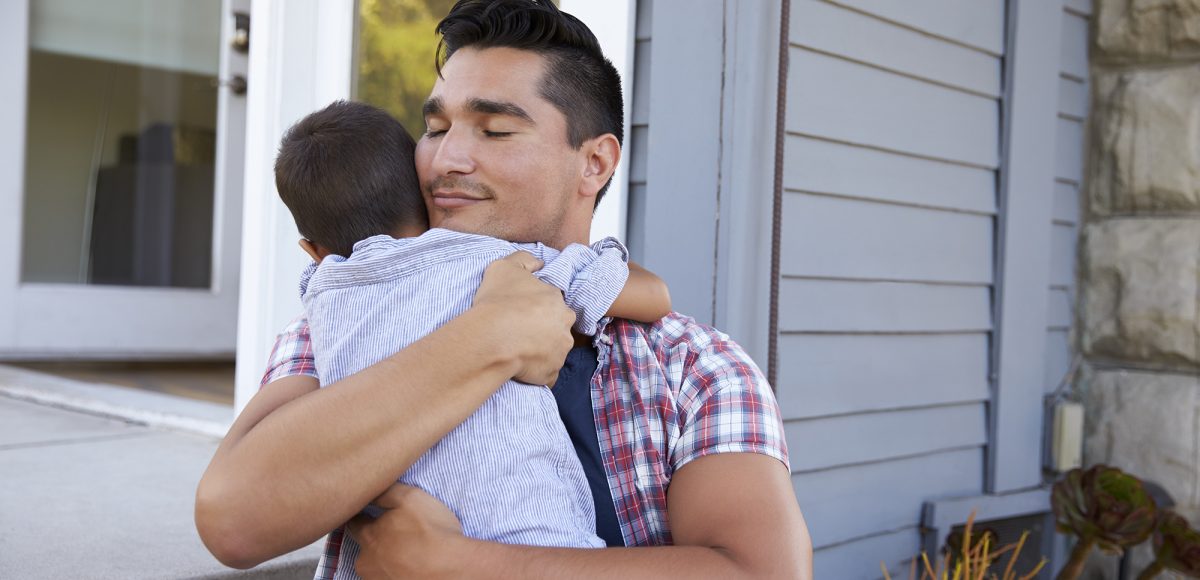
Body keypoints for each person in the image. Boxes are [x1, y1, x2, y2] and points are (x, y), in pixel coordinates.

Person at [195, 1, 813, 578]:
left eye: (494, 131)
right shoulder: (344, 319)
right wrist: (487, 337)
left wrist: (458, 564)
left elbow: (761, 570)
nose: (445, 160)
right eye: (435, 128)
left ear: (594, 163)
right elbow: (236, 522)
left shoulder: (693, 368)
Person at [273, 99, 672, 576]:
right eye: (436, 129)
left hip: (383, 549)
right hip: (529, 534)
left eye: (496, 131)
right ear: (423, 199)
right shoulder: (491, 262)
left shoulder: (319, 297)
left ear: (312, 251)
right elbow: (653, 297)